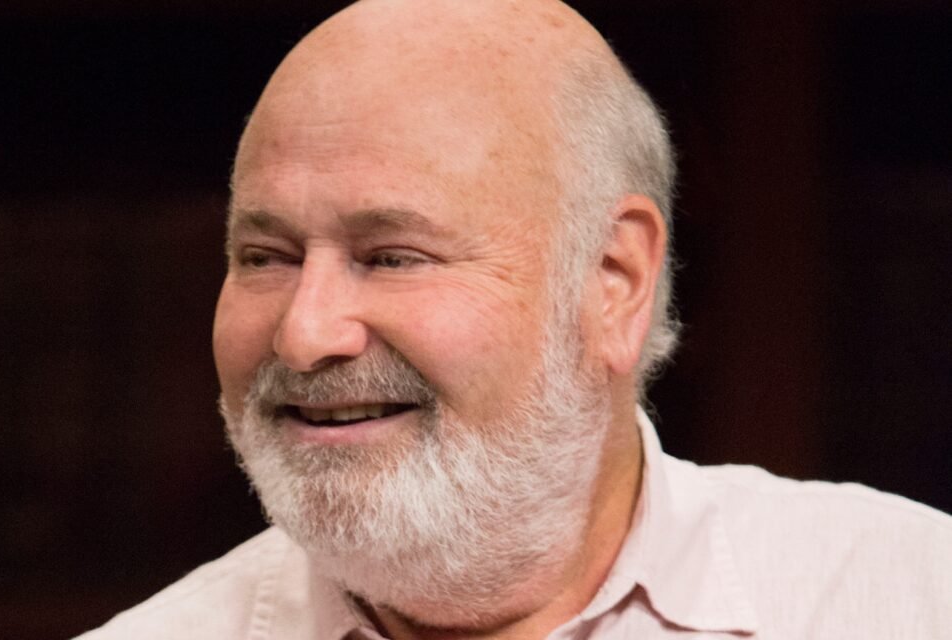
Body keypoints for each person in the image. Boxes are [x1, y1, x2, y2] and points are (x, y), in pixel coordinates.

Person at [78, 0, 952, 638]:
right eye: (265, 258)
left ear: (613, 279)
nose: (305, 334)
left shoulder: (908, 600)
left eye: (391, 256)